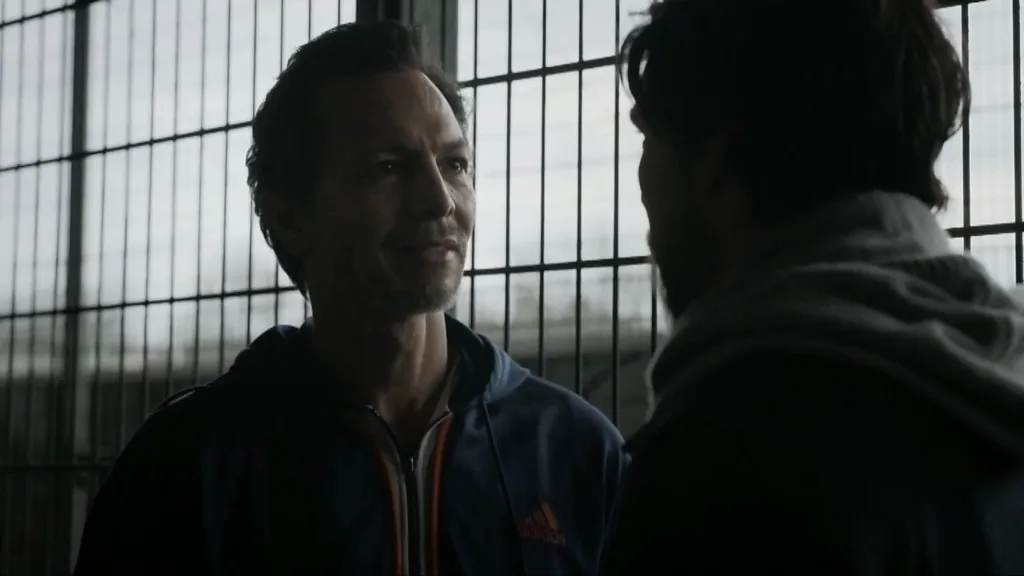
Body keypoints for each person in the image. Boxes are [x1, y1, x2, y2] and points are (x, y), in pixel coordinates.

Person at [73, 21, 625, 576]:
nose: (440, 201)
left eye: (455, 164)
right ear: (291, 218)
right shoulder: (187, 467)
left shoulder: (575, 448)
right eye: (388, 168)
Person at [601, 0, 1024, 574]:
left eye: (650, 140)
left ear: (715, 171)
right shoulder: (998, 414)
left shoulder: (716, 471)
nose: (643, 186)